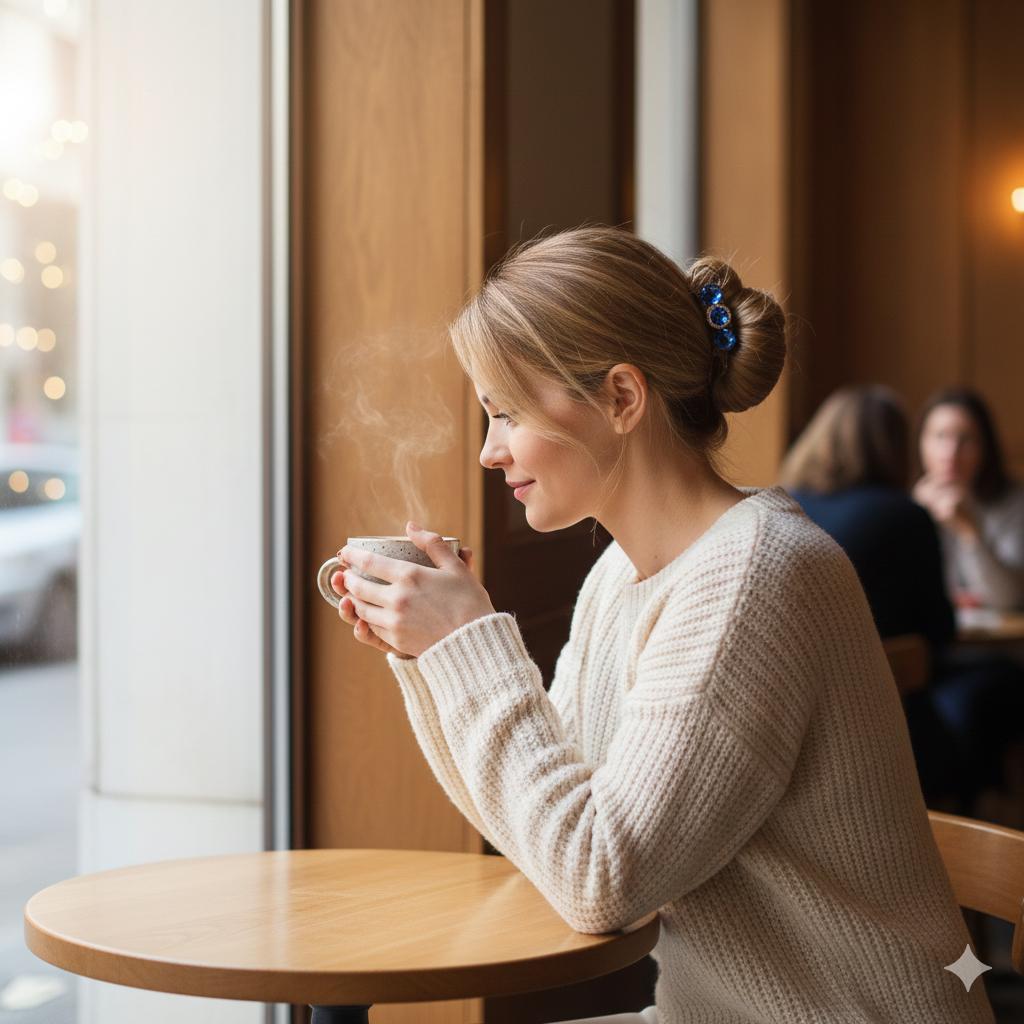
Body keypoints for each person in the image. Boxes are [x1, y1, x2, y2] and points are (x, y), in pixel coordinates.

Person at [329, 227, 994, 1023]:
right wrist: (432, 657)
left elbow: (599, 881)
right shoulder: (621, 576)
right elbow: (544, 834)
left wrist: (468, 647)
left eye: (505, 413)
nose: (488, 451)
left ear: (620, 397)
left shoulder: (755, 576)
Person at [778, 386, 966, 806]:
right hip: (885, 716)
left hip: (789, 717)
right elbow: (940, 630)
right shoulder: (904, 514)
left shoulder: (782, 506)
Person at [914, 387, 1024, 611]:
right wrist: (914, 519)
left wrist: (970, 530)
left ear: (986, 448)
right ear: (921, 443)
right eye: (940, 436)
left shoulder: (1015, 504)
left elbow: (1008, 600)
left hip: (998, 643)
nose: (951, 453)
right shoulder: (908, 505)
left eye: (966, 439)